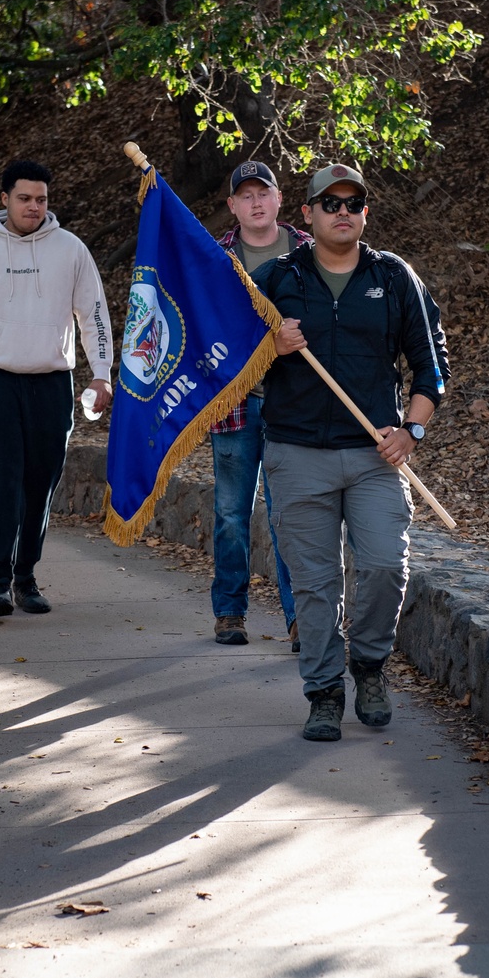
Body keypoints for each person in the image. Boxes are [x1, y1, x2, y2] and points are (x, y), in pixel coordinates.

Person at [257, 163, 450, 742]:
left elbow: (430, 361)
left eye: (353, 203)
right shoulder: (277, 279)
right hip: (296, 453)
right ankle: (323, 691)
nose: (343, 211)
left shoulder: (393, 279)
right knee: (315, 585)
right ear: (309, 215)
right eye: (330, 203)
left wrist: (410, 431)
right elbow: (233, 366)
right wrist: (272, 344)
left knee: (386, 567)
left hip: (375, 456)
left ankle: (368, 665)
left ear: (365, 213)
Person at [0, 158, 112, 617]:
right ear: (4, 200)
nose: (34, 207)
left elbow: (94, 315)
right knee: (0, 481)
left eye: (41, 200)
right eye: (25, 198)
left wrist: (102, 373)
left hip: (52, 382)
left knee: (40, 483)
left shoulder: (70, 250)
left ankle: (26, 576)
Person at [211, 160, 311, 649]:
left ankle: (299, 619)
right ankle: (230, 612)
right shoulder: (216, 260)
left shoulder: (309, 254)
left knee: (288, 514)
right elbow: (204, 330)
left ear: (278, 199)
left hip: (295, 408)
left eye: (263, 192)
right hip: (236, 405)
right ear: (233, 206)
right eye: (244, 195)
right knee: (231, 513)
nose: (254, 202)